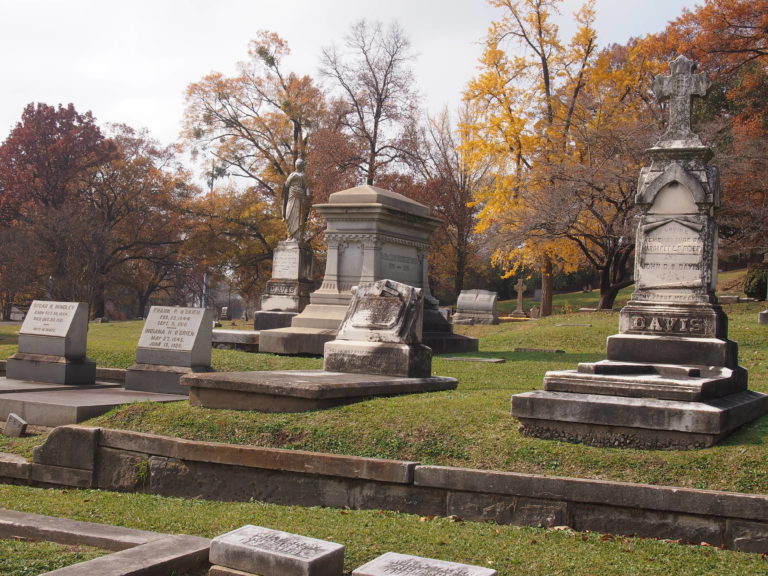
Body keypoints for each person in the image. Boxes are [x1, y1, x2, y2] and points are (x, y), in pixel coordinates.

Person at [282, 158, 311, 242]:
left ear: (301, 166)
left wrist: (307, 195)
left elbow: (306, 186)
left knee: (297, 217)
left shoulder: (303, 175)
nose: (297, 165)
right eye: (297, 164)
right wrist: (290, 179)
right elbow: (286, 185)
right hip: (291, 196)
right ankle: (289, 236)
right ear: (295, 165)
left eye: (299, 164)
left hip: (300, 197)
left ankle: (296, 237)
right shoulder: (292, 174)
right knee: (288, 216)